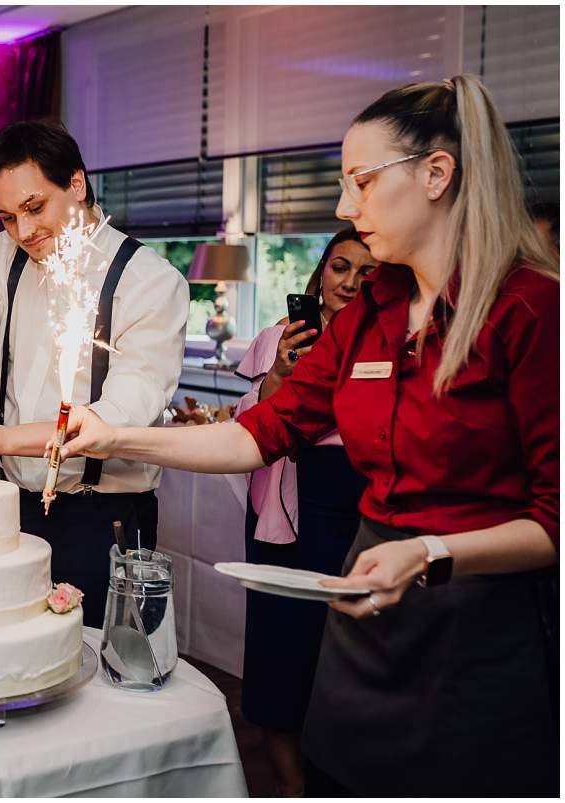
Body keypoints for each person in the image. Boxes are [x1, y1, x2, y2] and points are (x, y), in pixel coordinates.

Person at [55, 75, 558, 796]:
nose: (342, 207)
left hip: (477, 619)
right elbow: (260, 432)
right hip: (364, 599)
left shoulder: (533, 311)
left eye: (360, 182)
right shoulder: (370, 311)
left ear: (437, 175)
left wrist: (428, 551)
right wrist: (116, 436)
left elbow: (554, 519)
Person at [0, 120, 190, 627]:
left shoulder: (151, 282)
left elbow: (114, 419)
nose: (23, 232)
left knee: (99, 674)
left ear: (77, 184)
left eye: (34, 207)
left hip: (100, 518)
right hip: (9, 509)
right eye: (5, 218)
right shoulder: (5, 258)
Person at [232, 227, 375, 796]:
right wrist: (278, 377)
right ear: (320, 274)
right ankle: (293, 789)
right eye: (340, 267)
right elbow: (247, 422)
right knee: (281, 654)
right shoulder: (280, 337)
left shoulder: (395, 345)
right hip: (289, 508)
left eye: (367, 272)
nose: (350, 281)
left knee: (347, 657)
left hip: (362, 508)